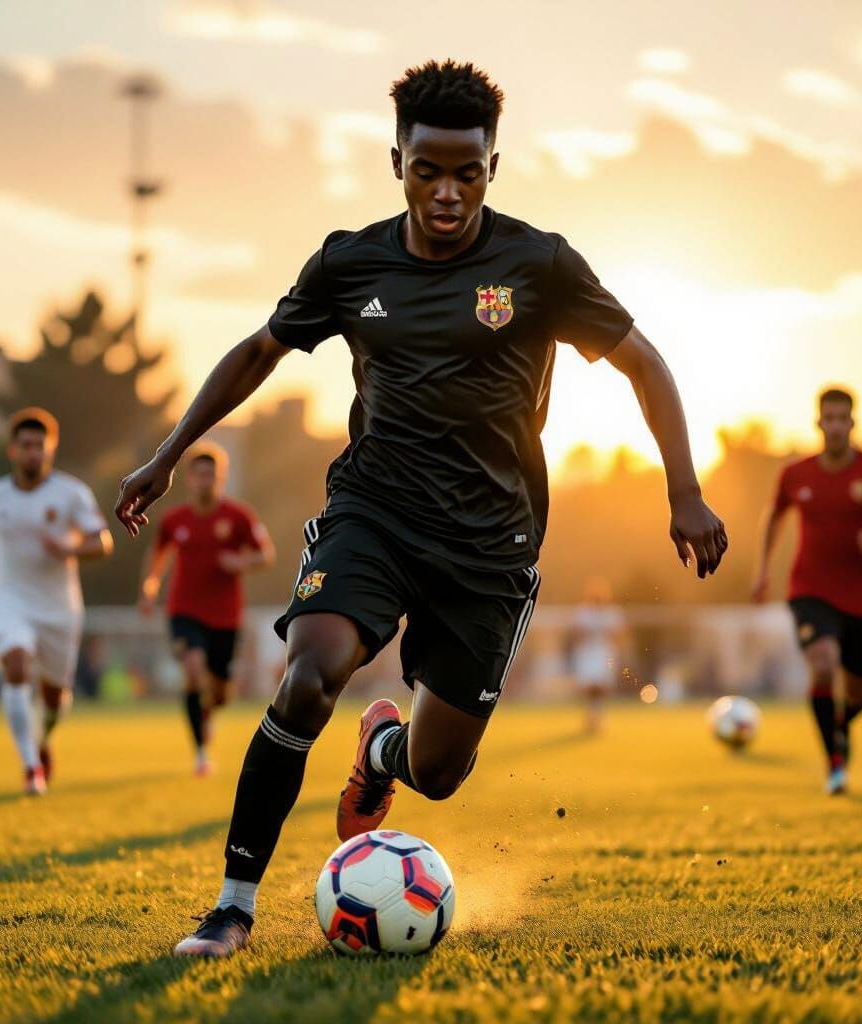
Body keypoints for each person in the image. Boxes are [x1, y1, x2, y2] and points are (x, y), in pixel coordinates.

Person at [114, 60, 728, 957]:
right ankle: (232, 910)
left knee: (437, 772)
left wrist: (685, 490)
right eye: (427, 171)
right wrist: (168, 456)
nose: (447, 192)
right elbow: (258, 352)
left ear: (492, 168)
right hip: (374, 513)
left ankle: (381, 754)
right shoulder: (349, 261)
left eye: (467, 173)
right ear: (396, 162)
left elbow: (644, 361)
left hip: (490, 546)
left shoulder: (538, 264)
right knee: (307, 678)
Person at [752, 387, 862, 795]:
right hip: (810, 589)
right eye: (827, 419)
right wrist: (762, 571)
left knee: (858, 694)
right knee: (823, 661)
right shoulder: (795, 474)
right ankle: (834, 762)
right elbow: (774, 518)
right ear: (818, 423)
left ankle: (841, 728)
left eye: (841, 419)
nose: (833, 426)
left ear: (852, 423)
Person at [0, 408, 113, 794]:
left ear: (51, 449)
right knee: (16, 665)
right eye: (26, 445)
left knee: (54, 697)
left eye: (40, 446)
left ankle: (44, 740)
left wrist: (69, 548)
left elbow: (102, 543)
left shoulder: (72, 493)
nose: (33, 452)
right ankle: (29, 767)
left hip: (59, 607)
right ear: (13, 450)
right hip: (7, 598)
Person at [138, 441, 274, 775]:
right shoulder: (175, 519)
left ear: (221, 478)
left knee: (221, 693)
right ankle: (201, 752)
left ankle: (209, 713)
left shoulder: (238, 516)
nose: (205, 480)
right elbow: (158, 553)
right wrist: (149, 587)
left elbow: (265, 554)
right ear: (189, 478)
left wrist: (241, 561)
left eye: (211, 475)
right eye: (199, 474)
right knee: (193, 669)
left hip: (225, 616)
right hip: (183, 610)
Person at [565, 576, 630, 733]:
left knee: (601, 686)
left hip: (605, 653)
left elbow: (619, 635)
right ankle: (591, 714)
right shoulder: (583, 612)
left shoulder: (612, 613)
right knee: (589, 686)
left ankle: (597, 715)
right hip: (587, 653)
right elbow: (577, 633)